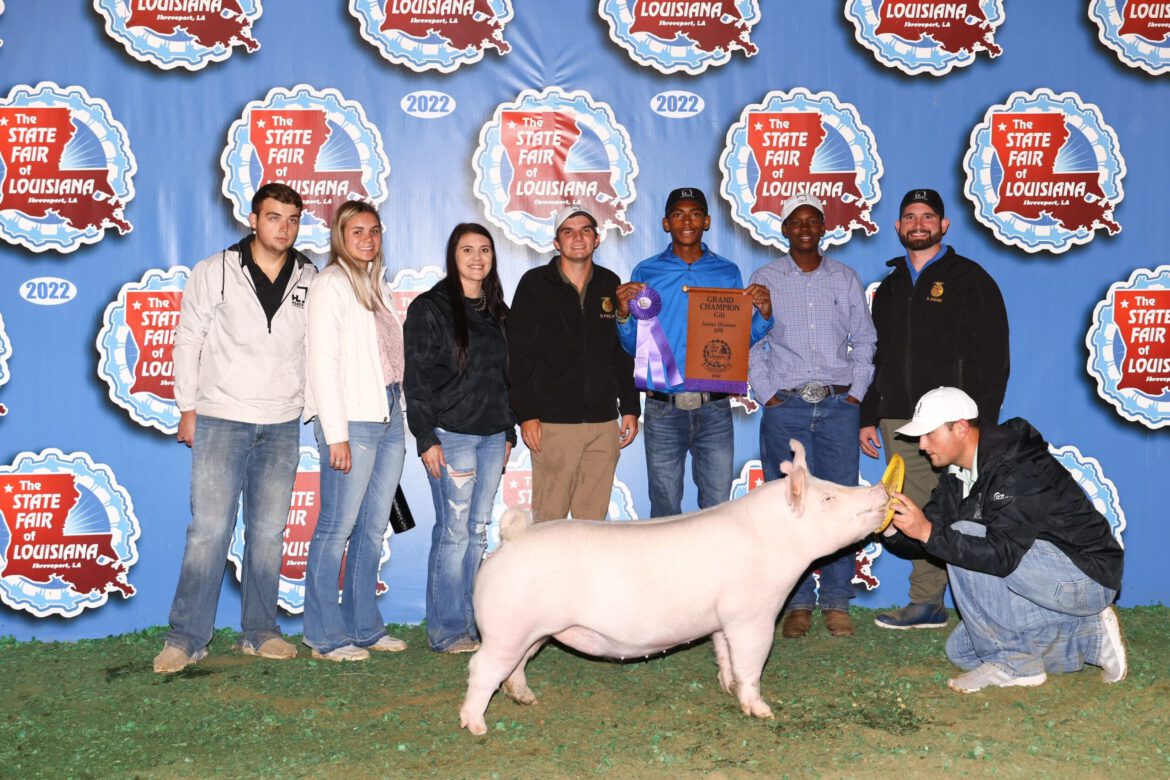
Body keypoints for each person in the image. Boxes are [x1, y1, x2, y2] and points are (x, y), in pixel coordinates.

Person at [155, 183, 315, 674]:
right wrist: (187, 406)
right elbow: (187, 338)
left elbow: (319, 347)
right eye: (273, 218)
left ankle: (260, 631)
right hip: (222, 417)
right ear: (252, 219)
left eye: (291, 219)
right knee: (208, 531)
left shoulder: (310, 274)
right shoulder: (214, 270)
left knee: (268, 533)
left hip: (283, 421)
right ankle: (185, 638)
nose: (283, 228)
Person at [882, 387, 1126, 692]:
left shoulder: (1019, 465)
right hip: (1036, 581)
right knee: (962, 650)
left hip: (1086, 579)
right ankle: (1090, 637)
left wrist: (929, 532)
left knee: (966, 533)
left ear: (959, 428)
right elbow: (927, 534)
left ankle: (1015, 665)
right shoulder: (955, 476)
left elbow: (1001, 554)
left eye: (929, 434)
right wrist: (890, 526)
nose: (921, 444)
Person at [859, 188, 1009, 630]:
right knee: (913, 507)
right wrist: (869, 414)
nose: (918, 223)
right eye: (909, 216)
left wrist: (979, 418)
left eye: (928, 216)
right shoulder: (887, 289)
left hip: (953, 421)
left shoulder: (970, 278)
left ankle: (971, 603)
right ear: (898, 228)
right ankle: (927, 602)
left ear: (944, 225)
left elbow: (993, 354)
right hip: (898, 420)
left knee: (960, 510)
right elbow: (877, 358)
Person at [748, 194, 877, 638]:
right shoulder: (765, 278)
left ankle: (837, 601)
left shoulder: (844, 278)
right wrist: (767, 395)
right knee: (790, 505)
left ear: (824, 229)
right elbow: (751, 342)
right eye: (796, 222)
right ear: (784, 230)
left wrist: (857, 393)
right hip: (787, 406)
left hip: (839, 405)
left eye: (813, 221)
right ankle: (798, 602)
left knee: (841, 503)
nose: (804, 227)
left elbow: (865, 341)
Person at [616, 187, 772, 517]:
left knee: (717, 510)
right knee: (665, 508)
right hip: (662, 408)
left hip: (714, 408)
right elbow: (634, 347)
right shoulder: (646, 272)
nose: (687, 220)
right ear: (665, 223)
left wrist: (765, 315)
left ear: (707, 221)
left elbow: (737, 341)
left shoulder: (727, 272)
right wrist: (623, 315)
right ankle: (665, 572)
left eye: (695, 213)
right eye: (678, 214)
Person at [403, 223, 516, 654]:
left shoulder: (498, 311)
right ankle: (447, 630)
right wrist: (425, 436)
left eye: (484, 249)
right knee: (453, 534)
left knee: (477, 532)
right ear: (453, 255)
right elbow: (416, 378)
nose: (476, 257)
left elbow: (504, 379)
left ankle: (474, 624)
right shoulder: (430, 308)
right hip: (451, 438)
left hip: (492, 439)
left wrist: (508, 430)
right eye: (467, 249)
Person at [303, 200, 407, 662]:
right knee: (336, 528)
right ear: (340, 236)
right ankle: (323, 635)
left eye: (374, 230)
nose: (367, 238)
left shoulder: (378, 286)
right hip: (353, 419)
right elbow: (322, 364)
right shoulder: (330, 285)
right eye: (357, 230)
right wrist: (335, 433)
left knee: (370, 530)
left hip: (389, 414)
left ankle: (365, 626)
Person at [508, 205, 640, 522]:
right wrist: (527, 415)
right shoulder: (534, 284)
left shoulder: (611, 283)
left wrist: (632, 407)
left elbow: (620, 352)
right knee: (548, 523)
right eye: (568, 231)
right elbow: (518, 355)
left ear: (597, 239)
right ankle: (545, 575)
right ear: (556, 242)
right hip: (553, 425)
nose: (577, 237)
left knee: (592, 525)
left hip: (602, 425)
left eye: (585, 230)